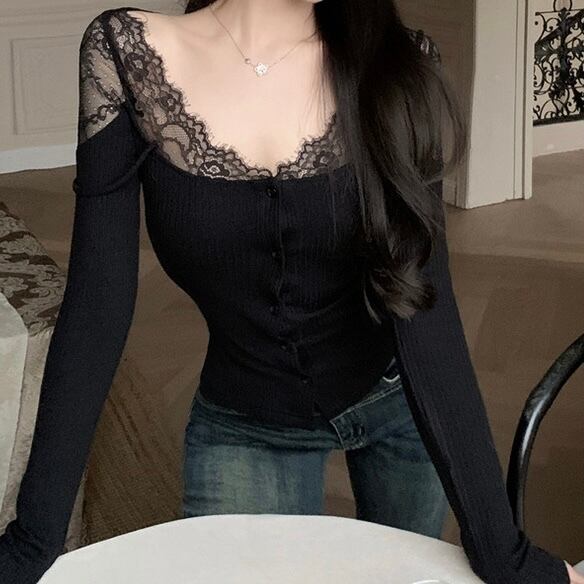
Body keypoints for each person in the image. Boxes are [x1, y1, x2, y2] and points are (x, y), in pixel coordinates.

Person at [0, 1, 581, 583]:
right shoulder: (127, 54)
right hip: (246, 421)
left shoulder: (398, 63)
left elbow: (428, 314)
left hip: (400, 407)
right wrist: (31, 543)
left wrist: (508, 558)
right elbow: (97, 308)